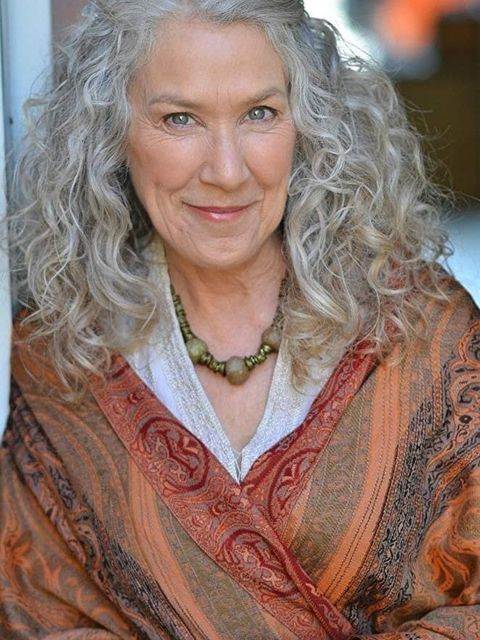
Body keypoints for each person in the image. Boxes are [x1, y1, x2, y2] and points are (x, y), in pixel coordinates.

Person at [1, 0, 479, 638]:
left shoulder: (424, 330)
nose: (227, 172)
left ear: (310, 122)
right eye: (180, 119)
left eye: (260, 113)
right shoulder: (59, 352)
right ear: (109, 133)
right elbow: (35, 611)